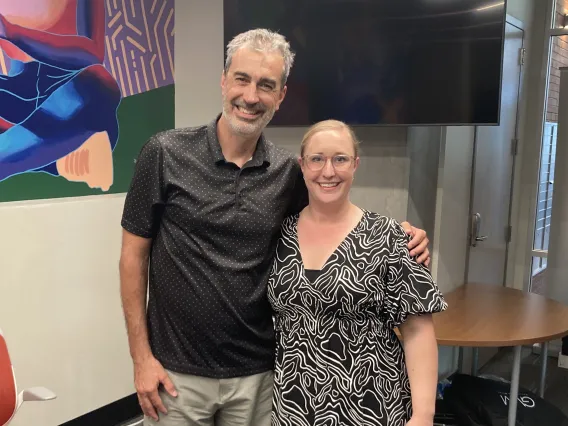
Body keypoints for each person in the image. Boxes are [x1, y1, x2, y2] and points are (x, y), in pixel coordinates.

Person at [119, 29, 432, 426]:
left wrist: (399, 235)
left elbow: (330, 219)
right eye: (242, 79)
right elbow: (133, 257)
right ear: (224, 80)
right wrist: (140, 358)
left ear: (281, 96)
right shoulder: (164, 153)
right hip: (177, 374)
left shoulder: (287, 173)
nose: (251, 96)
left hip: (261, 377)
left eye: (266, 85)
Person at [268, 119, 447, 426]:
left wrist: (423, 415)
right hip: (293, 405)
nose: (328, 171)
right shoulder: (277, 233)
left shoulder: (390, 237)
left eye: (340, 159)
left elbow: (418, 332)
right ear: (302, 165)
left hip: (371, 404)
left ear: (355, 165)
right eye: (317, 159)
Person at [0, 0, 120, 191]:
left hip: (74, 100)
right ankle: (58, 160)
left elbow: (93, 53)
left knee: (99, 81)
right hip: (24, 108)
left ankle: (46, 154)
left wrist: (12, 33)